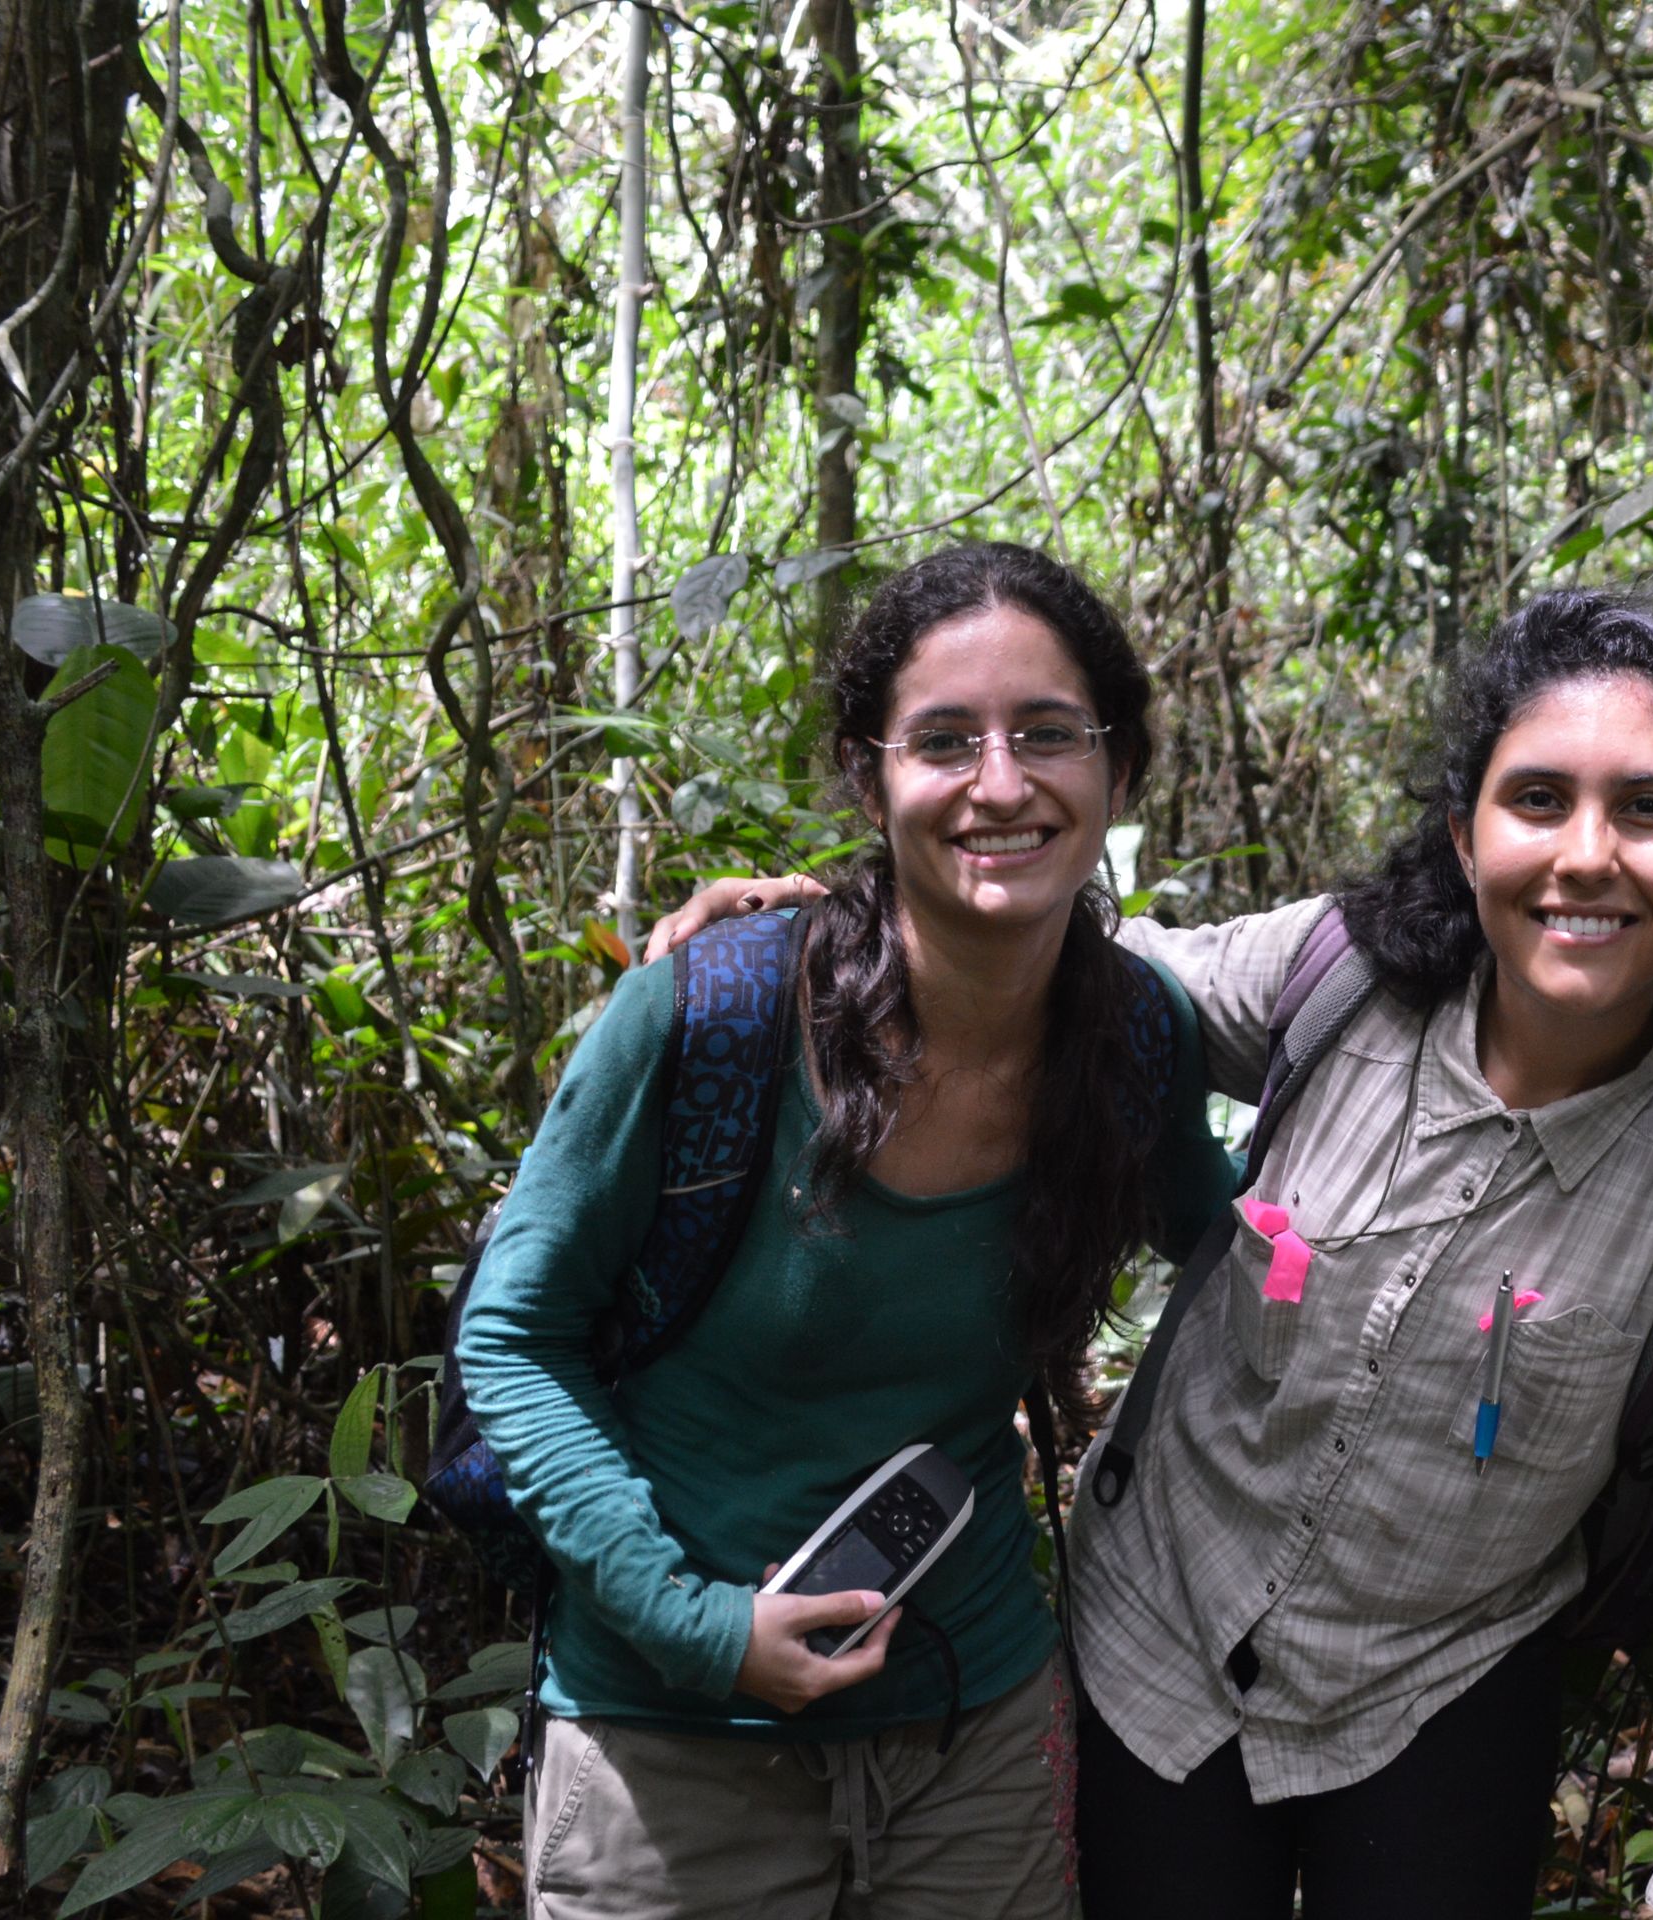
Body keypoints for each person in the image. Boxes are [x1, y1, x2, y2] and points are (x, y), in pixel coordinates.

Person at [650, 589, 1653, 1920]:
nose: (1587, 856)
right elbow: (1081, 971)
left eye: (1649, 810)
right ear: (1465, 834)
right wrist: (837, 931)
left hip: (1436, 1696)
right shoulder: (1344, 977)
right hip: (1155, 1648)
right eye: (1537, 799)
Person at [456, 543, 1235, 1920]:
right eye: (944, 742)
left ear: (1121, 768)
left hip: (970, 1720)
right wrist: (697, 1627)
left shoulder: (1136, 1042)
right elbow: (514, 1336)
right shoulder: (715, 1017)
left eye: (1048, 734)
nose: (1001, 783)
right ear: (869, 776)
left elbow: (1244, 1264)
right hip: (671, 1735)